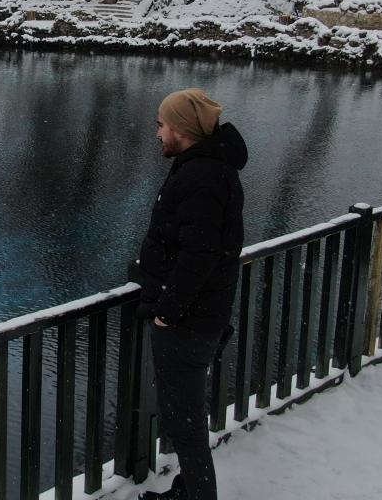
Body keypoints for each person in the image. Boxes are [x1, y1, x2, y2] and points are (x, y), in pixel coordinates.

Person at [135, 88, 247, 500]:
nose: (158, 134)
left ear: (182, 129)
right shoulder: (209, 169)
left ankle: (198, 495)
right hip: (201, 315)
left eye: (162, 125)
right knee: (186, 419)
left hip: (187, 322)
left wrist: (167, 310)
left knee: (186, 424)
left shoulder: (201, 176)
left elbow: (200, 252)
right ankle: (190, 489)